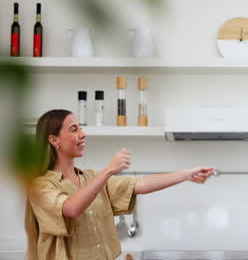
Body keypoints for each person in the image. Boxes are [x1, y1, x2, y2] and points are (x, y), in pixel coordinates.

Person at [24, 109, 215, 260]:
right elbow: (71, 209)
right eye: (74, 129)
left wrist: (186, 174)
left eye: (81, 128)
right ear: (53, 139)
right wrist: (109, 170)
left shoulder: (91, 178)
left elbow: (139, 184)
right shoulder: (40, 186)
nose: (82, 134)